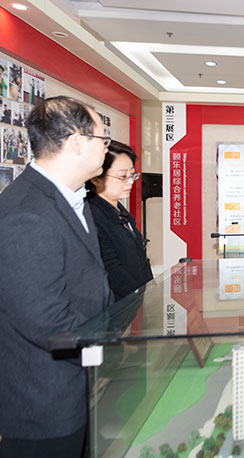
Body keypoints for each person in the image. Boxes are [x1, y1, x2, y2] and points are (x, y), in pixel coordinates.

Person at [0, 96, 112, 458]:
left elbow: (91, 283)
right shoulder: (27, 213)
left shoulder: (72, 198)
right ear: (77, 142)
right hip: (44, 403)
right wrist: (106, 353)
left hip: (76, 385)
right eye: (103, 139)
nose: (107, 149)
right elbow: (45, 320)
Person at [86, 140, 153, 302]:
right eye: (122, 177)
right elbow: (110, 270)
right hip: (118, 305)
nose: (130, 182)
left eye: (132, 175)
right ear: (96, 178)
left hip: (136, 302)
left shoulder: (120, 211)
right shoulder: (92, 215)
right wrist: (139, 297)